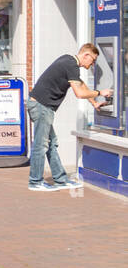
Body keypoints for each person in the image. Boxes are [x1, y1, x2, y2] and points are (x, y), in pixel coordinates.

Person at [27, 44, 106, 191]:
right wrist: (100, 93)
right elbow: (79, 93)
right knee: (41, 145)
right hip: (41, 107)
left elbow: (81, 86)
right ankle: (35, 182)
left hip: (42, 106)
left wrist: (94, 103)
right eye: (93, 60)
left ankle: (60, 180)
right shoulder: (71, 65)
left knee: (51, 144)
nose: (92, 64)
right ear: (86, 55)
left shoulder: (68, 60)